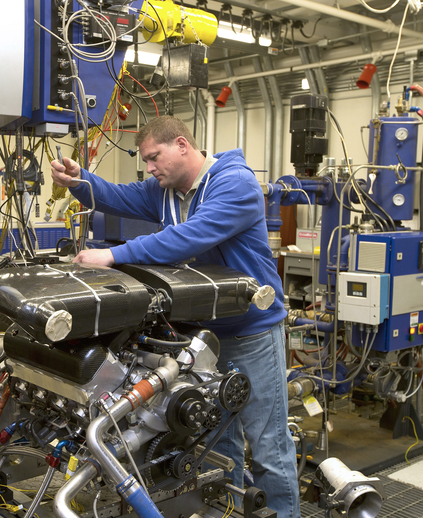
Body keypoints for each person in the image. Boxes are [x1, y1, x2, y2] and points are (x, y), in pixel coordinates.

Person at [50, 115, 298, 518]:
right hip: (201, 339)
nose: (149, 168)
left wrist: (113, 255)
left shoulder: (234, 183)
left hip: (250, 332)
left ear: (182, 145)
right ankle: (229, 512)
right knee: (217, 442)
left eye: (154, 158)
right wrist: (81, 182)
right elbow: (118, 195)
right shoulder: (164, 190)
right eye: (146, 161)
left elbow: (191, 235)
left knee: (268, 445)